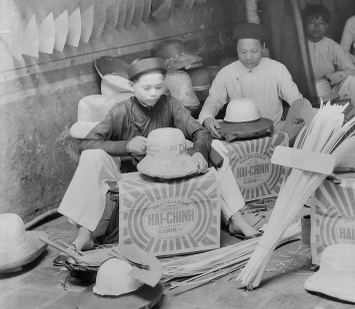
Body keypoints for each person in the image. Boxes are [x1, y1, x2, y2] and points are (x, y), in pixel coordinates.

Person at [58, 58, 259, 253]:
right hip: (130, 176)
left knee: (216, 149)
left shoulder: (169, 104)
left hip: (169, 172)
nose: (153, 93)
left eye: (158, 87)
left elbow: (200, 132)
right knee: (92, 157)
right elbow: (84, 145)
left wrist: (199, 153)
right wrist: (127, 146)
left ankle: (236, 219)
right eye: (146, 88)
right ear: (131, 85)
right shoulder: (120, 111)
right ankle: (84, 234)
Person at [199, 23, 304, 133]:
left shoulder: (277, 69)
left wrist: (298, 112)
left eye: (254, 51)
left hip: (274, 130)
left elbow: (295, 98)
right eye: (243, 52)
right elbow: (213, 101)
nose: (248, 57)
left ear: (263, 47)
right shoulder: (227, 73)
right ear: (236, 48)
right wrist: (207, 118)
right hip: (238, 133)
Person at [304, 4, 355, 114]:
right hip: (304, 93)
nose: (317, 27)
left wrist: (329, 78)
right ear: (304, 24)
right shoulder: (297, 47)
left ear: (327, 26)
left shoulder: (332, 46)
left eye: (321, 23)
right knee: (318, 86)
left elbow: (353, 71)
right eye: (312, 23)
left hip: (330, 91)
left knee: (354, 80)